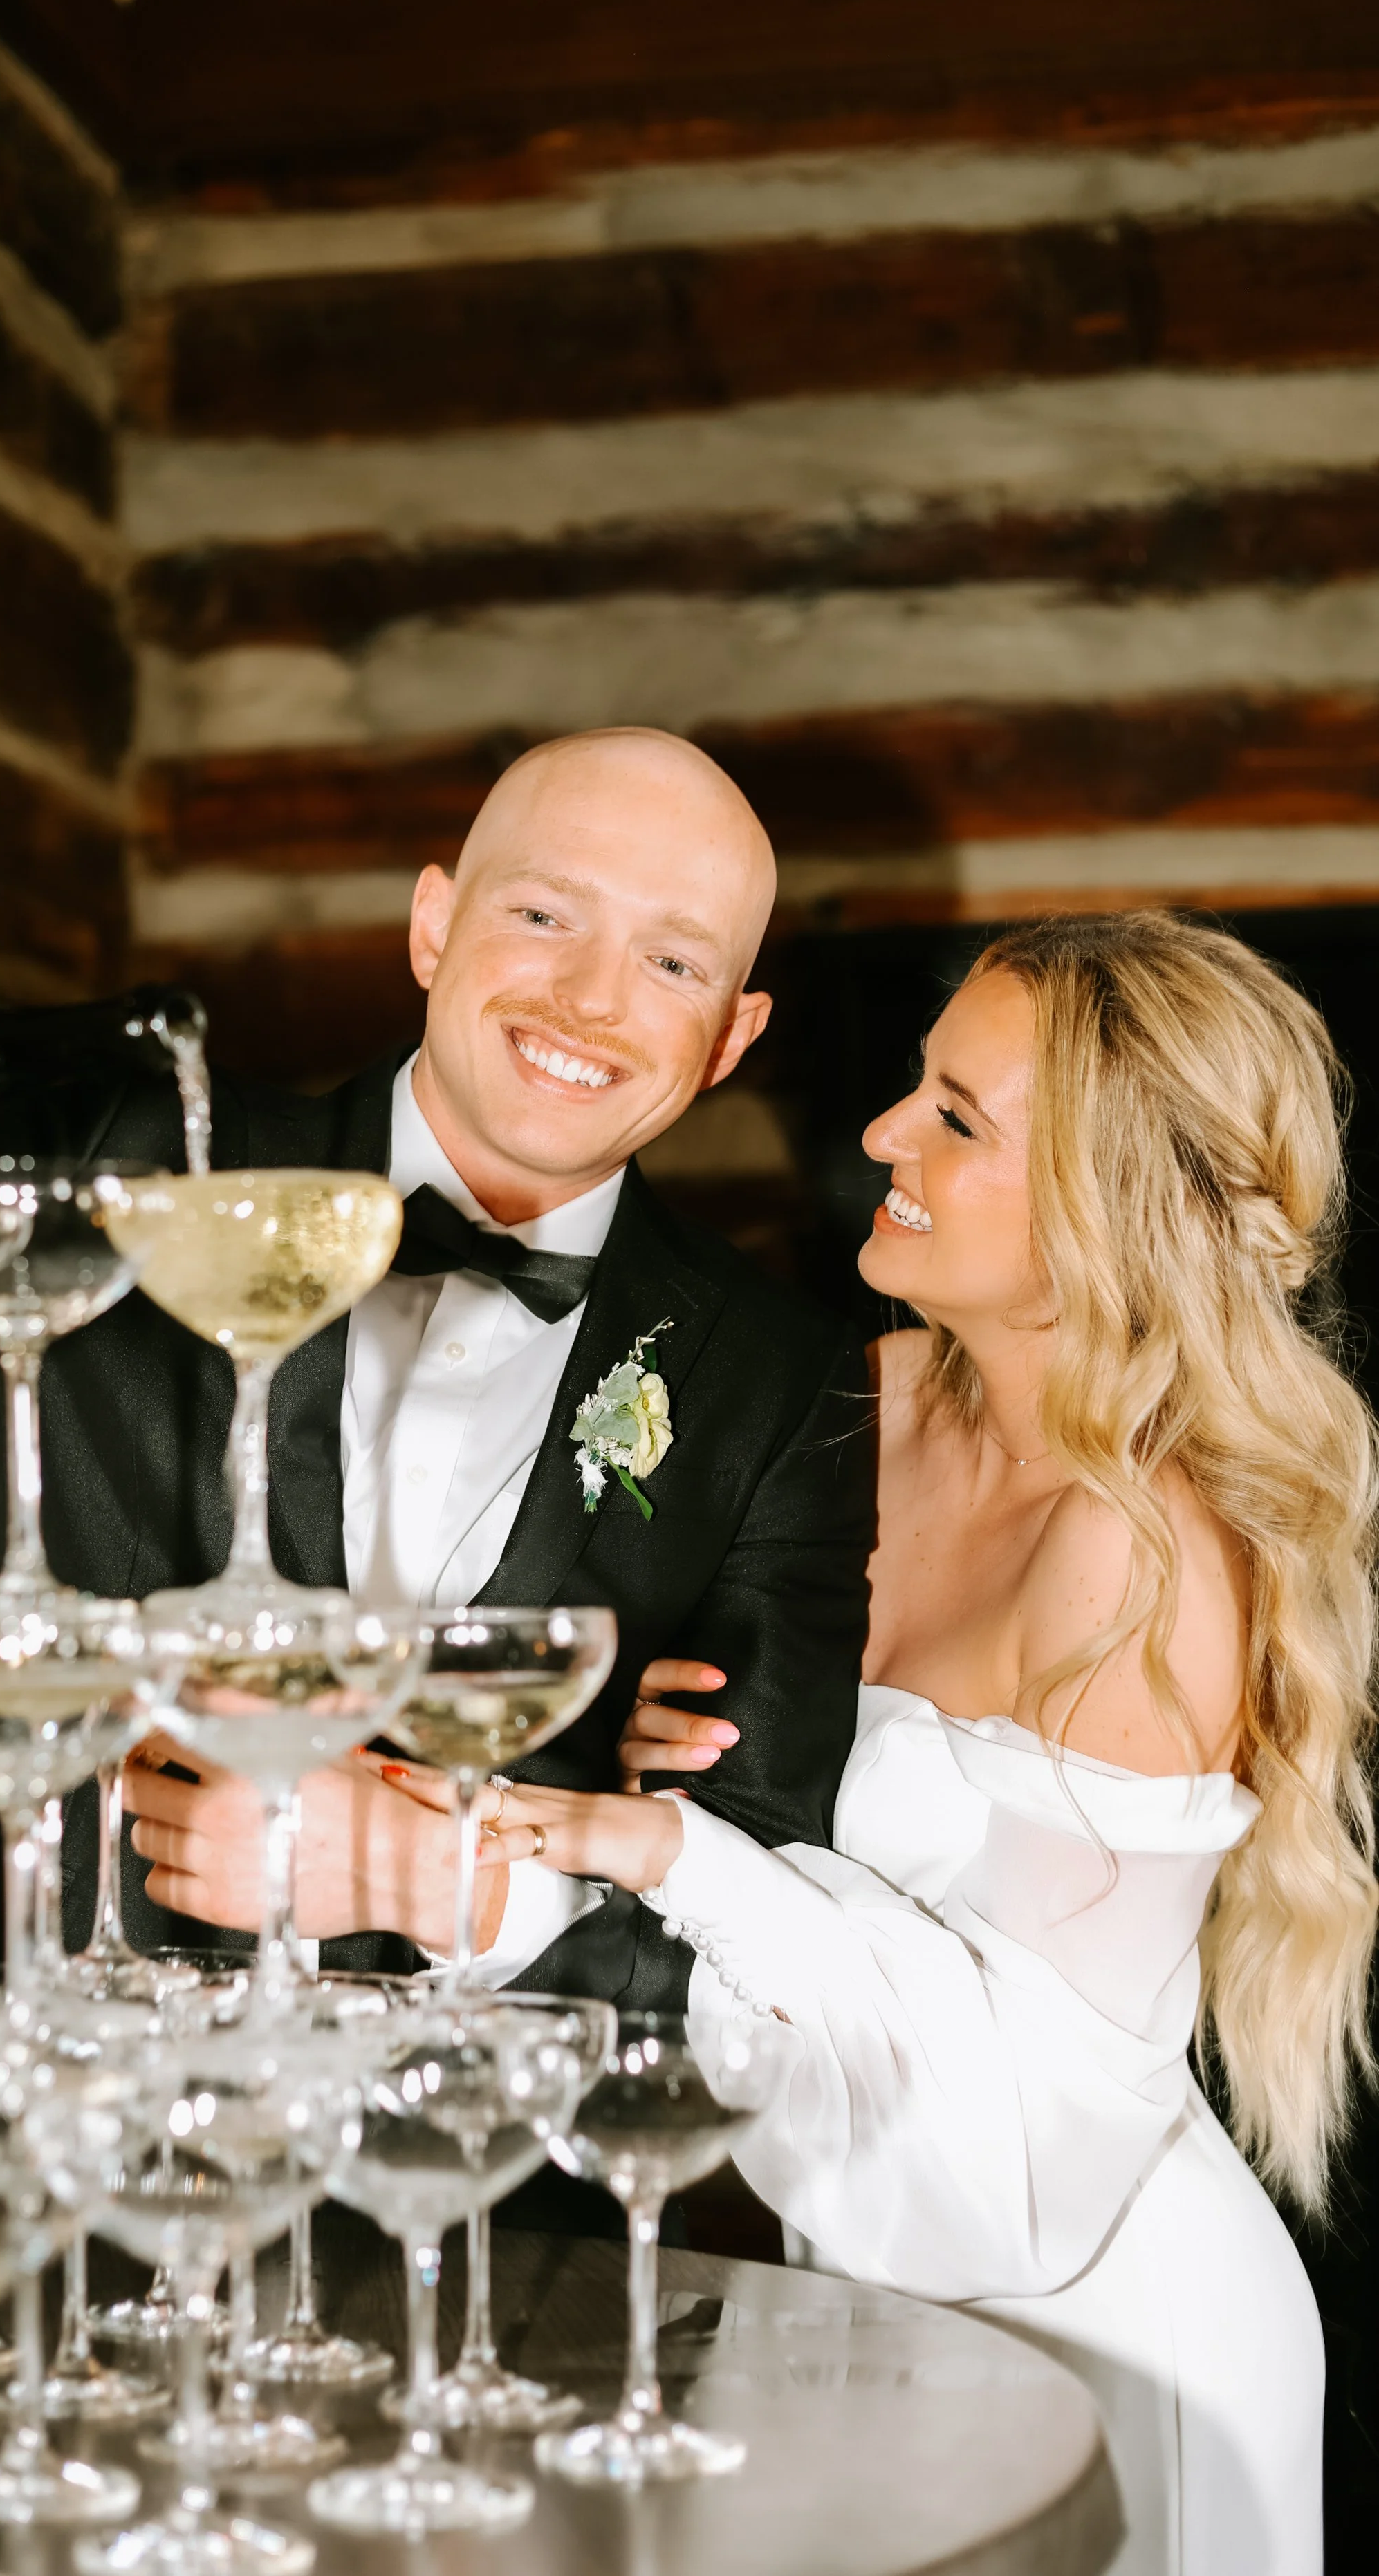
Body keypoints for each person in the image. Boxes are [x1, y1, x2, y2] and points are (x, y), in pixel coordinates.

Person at [409, 913, 1377, 2575]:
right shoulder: (862, 1400)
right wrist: (678, 1743)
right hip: (866, 2290)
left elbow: (1039, 2136)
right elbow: (787, 1777)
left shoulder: (1143, 1558)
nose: (877, 1135)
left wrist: (677, 1855)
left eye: (955, 1118)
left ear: (1104, 1209)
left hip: (1106, 2319)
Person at [0, 728, 873, 2001]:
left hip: (469, 2176)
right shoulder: (139, 1155)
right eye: (544, 912)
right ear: (433, 927)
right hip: (33, 2099)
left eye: (671, 959)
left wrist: (449, 1883)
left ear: (732, 1035)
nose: (592, 996)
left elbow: (759, 1951)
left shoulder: (785, 1380)